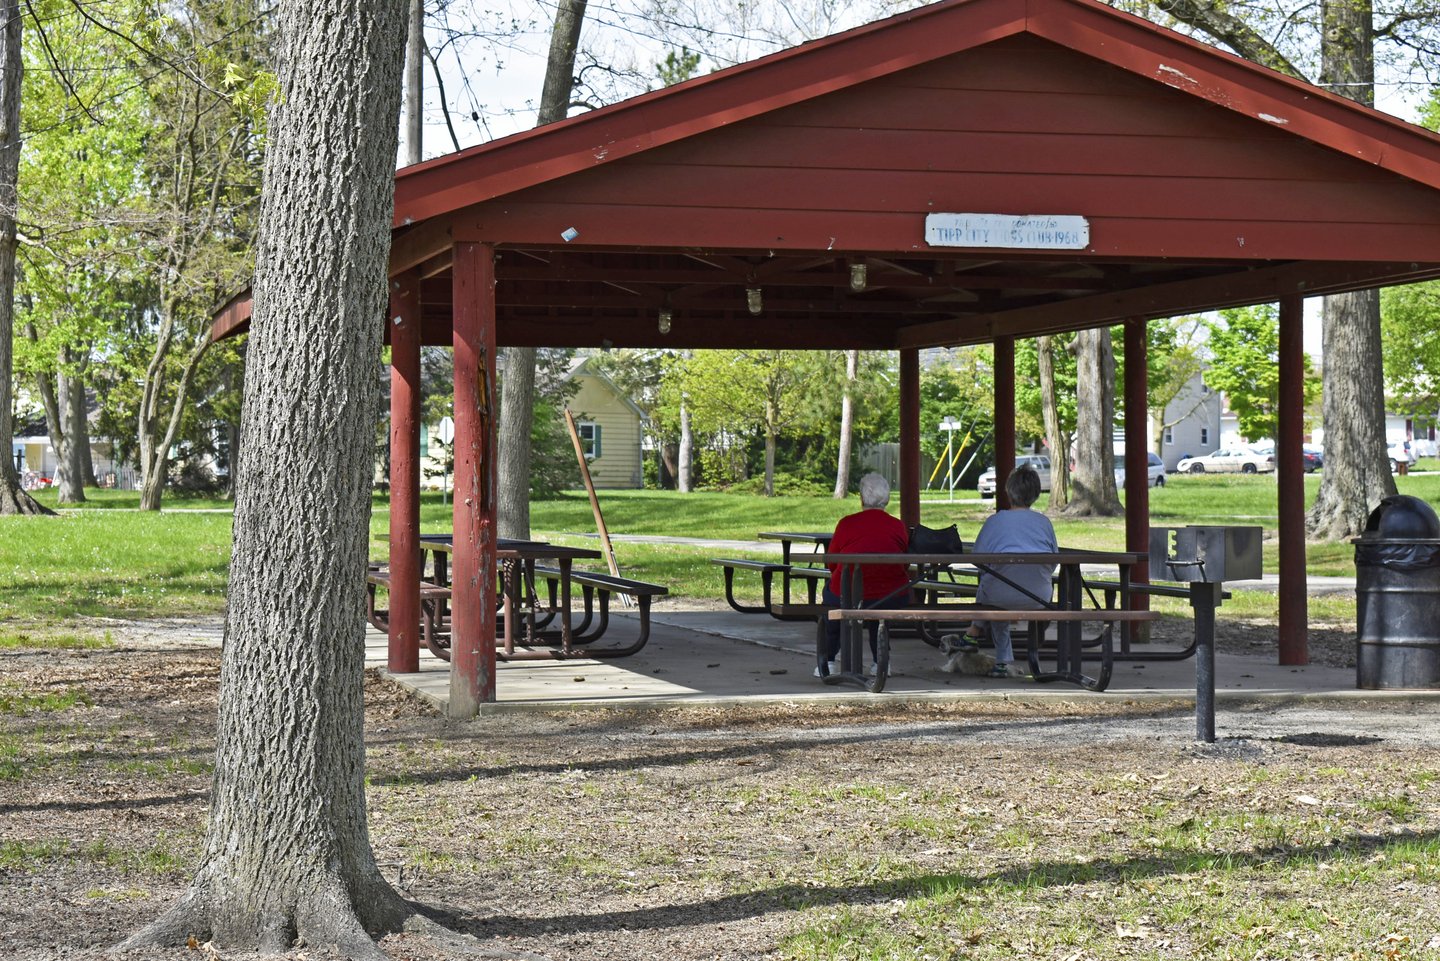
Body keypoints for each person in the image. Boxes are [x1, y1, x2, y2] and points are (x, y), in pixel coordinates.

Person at [945, 465, 1056, 678]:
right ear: (1035, 494)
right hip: (1039, 596)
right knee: (996, 585)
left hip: (1000, 596)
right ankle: (982, 639)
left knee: (993, 586)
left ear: (1007, 491)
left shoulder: (995, 521)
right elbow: (1053, 561)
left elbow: (978, 559)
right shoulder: (1044, 523)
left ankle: (998, 655)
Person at [819, 472, 910, 676]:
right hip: (891, 594)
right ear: (886, 499)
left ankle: (829, 661)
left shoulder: (847, 524)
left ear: (861, 498)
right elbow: (905, 561)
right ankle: (881, 662)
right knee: (879, 612)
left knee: (832, 602)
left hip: (848, 593)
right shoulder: (897, 526)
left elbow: (832, 562)